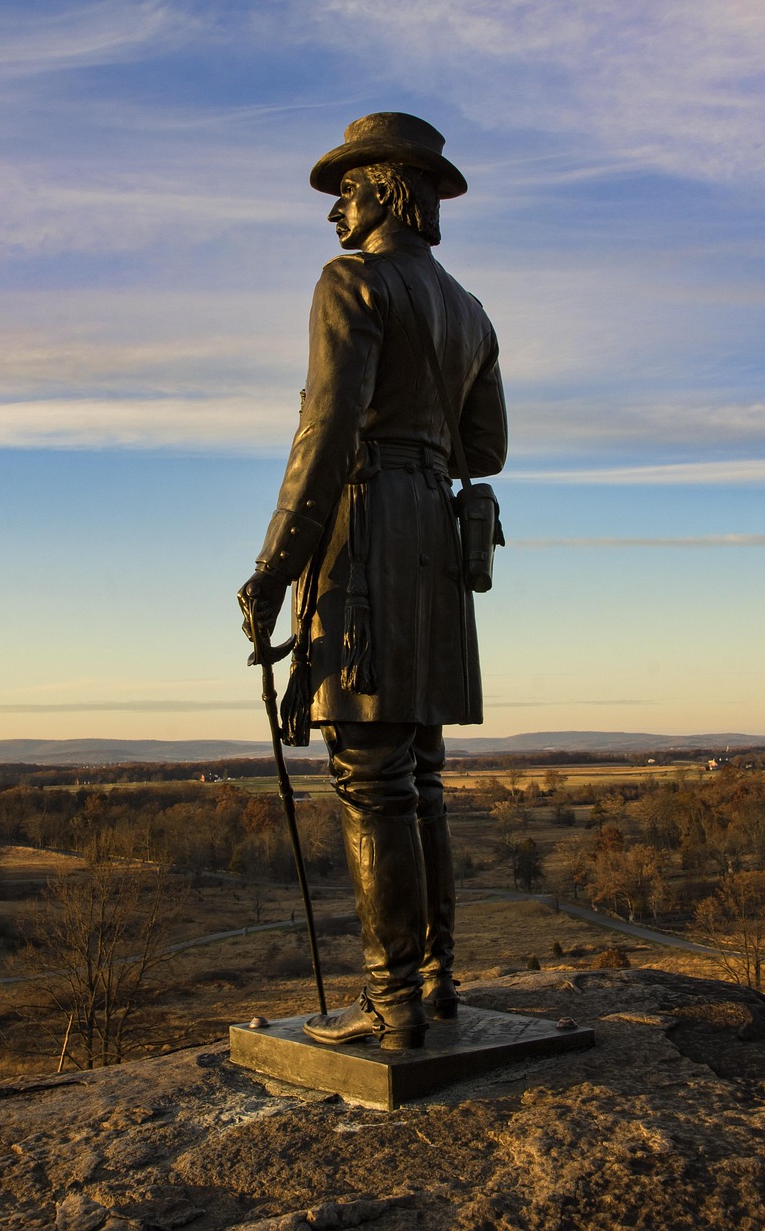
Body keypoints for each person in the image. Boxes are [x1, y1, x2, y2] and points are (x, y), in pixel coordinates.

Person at [238, 112, 507, 1051]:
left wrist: (274, 564)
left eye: (346, 191)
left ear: (389, 189)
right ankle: (435, 984)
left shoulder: (349, 282)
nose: (334, 214)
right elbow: (486, 449)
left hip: (366, 537)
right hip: (433, 534)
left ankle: (390, 1005)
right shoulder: (470, 310)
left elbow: (327, 427)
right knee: (417, 777)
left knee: (372, 779)